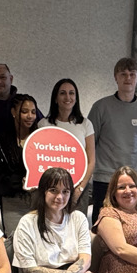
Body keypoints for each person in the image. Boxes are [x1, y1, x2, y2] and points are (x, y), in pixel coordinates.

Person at [12, 168, 102, 273]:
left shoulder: (78, 218)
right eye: (53, 190)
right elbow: (28, 271)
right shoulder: (27, 223)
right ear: (43, 191)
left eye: (65, 191)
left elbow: (85, 258)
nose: (59, 197)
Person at [88, 57, 137, 225]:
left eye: (132, 74)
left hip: (134, 181)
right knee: (101, 227)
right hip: (105, 179)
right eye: (123, 74)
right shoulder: (100, 107)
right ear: (115, 77)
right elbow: (90, 143)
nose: (128, 78)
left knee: (135, 226)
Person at [0, 94, 38, 235]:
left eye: (33, 112)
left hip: (38, 201)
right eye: (24, 111)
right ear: (14, 112)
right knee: (15, 240)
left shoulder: (41, 138)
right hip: (12, 202)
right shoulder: (1, 142)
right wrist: (17, 181)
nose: (30, 116)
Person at [44, 79, 95, 216]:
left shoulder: (85, 124)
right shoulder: (43, 124)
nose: (68, 97)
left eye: (72, 93)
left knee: (76, 228)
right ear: (55, 98)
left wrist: (79, 189)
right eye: (63, 93)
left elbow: (91, 161)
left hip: (78, 189)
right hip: (51, 190)